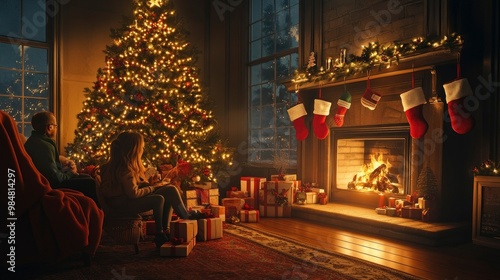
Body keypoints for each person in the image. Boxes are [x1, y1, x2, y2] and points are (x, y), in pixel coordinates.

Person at [98, 131, 191, 248]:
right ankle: (160, 232)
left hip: (122, 201)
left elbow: (127, 187)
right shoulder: (125, 170)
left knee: (170, 189)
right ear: (134, 150)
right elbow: (133, 194)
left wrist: (149, 184)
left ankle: (173, 225)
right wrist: (152, 188)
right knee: (159, 199)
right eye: (142, 148)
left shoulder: (116, 166)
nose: (143, 150)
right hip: (123, 205)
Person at [24, 111, 100, 207]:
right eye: (55, 126)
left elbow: (51, 168)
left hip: (52, 180)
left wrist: (65, 170)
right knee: (90, 183)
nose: (56, 129)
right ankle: (98, 216)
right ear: (49, 128)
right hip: (51, 185)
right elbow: (54, 178)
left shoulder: (37, 140)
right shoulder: (43, 146)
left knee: (86, 177)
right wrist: (70, 173)